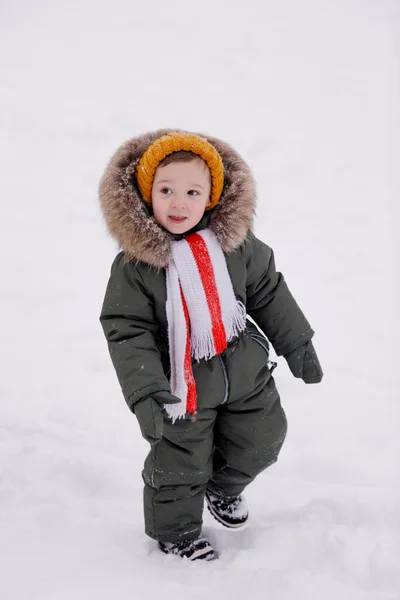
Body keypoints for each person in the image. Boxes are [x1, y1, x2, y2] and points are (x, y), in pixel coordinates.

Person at [99, 130, 323, 562]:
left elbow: (268, 291)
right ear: (147, 195)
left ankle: (222, 489)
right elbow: (126, 327)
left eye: (191, 191)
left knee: (264, 438)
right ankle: (178, 533)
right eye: (165, 191)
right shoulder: (136, 266)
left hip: (243, 371)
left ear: (212, 197)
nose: (178, 203)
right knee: (180, 465)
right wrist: (146, 389)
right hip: (178, 385)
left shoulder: (236, 247)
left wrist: (298, 342)